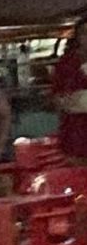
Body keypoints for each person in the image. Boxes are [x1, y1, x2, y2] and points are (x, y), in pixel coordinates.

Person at [52, 19, 87, 164]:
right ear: (78, 37)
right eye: (85, 33)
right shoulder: (66, 64)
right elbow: (57, 98)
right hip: (75, 136)